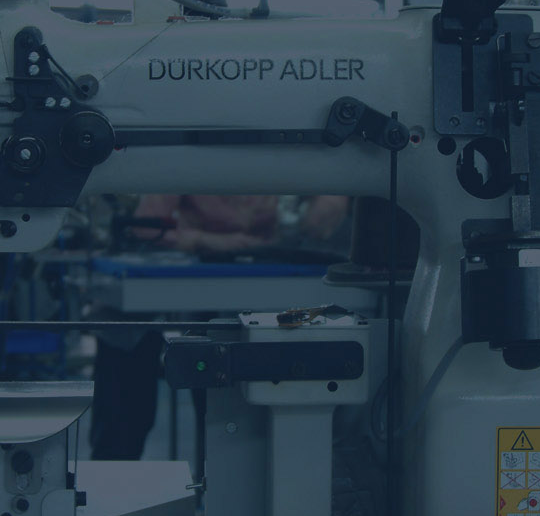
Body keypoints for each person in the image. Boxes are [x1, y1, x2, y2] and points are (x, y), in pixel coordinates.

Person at [88, 194, 349, 460]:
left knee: (239, 414)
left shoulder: (280, 168)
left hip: (263, 278)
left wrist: (330, 202)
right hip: (190, 278)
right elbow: (145, 226)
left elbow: (330, 187)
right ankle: (115, 467)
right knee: (129, 383)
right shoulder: (184, 170)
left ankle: (229, 471)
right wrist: (208, 241)